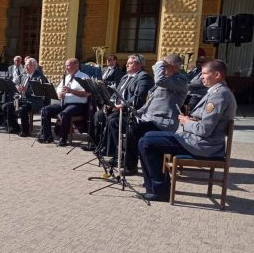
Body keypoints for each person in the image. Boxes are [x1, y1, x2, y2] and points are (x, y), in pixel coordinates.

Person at [138, 59, 236, 202]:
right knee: (147, 136)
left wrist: (187, 122)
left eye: (204, 74)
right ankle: (156, 187)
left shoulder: (219, 95)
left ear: (217, 75)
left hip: (203, 144)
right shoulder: (217, 92)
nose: (201, 77)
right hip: (198, 140)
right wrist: (191, 120)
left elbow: (204, 130)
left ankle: (159, 190)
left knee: (147, 142)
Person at [122, 54, 188, 175]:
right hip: (149, 118)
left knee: (133, 131)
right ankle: (123, 159)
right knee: (121, 122)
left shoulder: (180, 80)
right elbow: (151, 101)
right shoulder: (165, 80)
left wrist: (158, 65)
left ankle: (130, 166)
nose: (162, 68)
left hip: (163, 122)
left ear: (174, 67)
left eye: (165, 65)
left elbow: (159, 80)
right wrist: (137, 112)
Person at [95, 53, 154, 160]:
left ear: (139, 65)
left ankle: (117, 154)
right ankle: (103, 146)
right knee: (99, 115)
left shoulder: (144, 77)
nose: (126, 65)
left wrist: (122, 105)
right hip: (117, 108)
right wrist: (110, 103)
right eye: (127, 63)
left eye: (130, 63)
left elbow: (139, 97)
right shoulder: (125, 76)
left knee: (113, 121)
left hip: (130, 112)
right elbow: (116, 92)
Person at [38, 58, 90, 146]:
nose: (66, 68)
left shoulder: (84, 77)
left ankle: (63, 139)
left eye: (68, 66)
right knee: (45, 110)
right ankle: (46, 136)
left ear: (76, 65)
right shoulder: (66, 77)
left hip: (78, 105)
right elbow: (58, 90)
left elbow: (87, 94)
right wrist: (59, 94)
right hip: (64, 103)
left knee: (65, 113)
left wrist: (71, 91)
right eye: (65, 66)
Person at [2, 58, 49, 137]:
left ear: (35, 66)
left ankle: (25, 131)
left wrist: (27, 90)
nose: (26, 67)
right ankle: (15, 127)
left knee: (22, 109)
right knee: (6, 106)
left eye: (29, 65)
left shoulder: (40, 77)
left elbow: (40, 93)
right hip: (24, 100)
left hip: (35, 101)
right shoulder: (24, 75)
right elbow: (16, 83)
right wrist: (17, 87)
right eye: (25, 65)